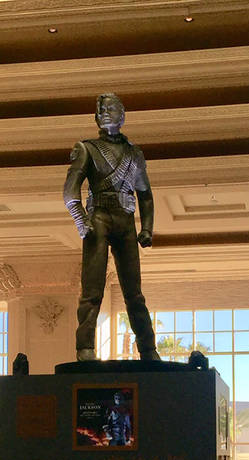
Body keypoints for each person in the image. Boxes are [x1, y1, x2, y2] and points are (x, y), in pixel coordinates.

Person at [63, 93, 159, 362]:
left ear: (123, 113)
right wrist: (81, 221)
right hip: (99, 219)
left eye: (112, 107)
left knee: (134, 294)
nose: (106, 111)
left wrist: (147, 228)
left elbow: (146, 194)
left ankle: (148, 350)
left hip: (126, 221)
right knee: (92, 290)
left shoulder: (134, 153)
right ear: (96, 115)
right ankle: (85, 348)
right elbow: (70, 192)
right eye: (101, 108)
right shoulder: (87, 149)